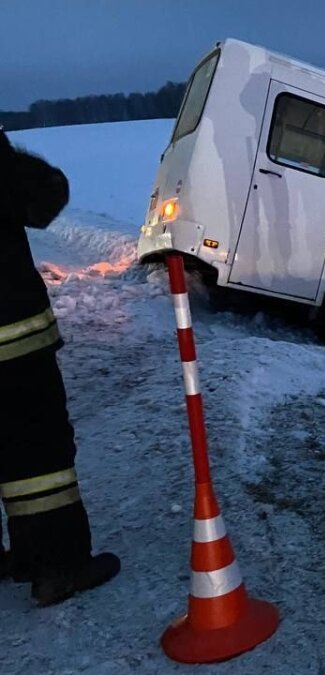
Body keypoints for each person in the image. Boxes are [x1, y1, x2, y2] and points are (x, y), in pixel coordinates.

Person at [0, 128, 119, 606]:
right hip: (13, 343)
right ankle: (58, 566)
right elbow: (46, 194)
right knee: (38, 456)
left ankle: (22, 556)